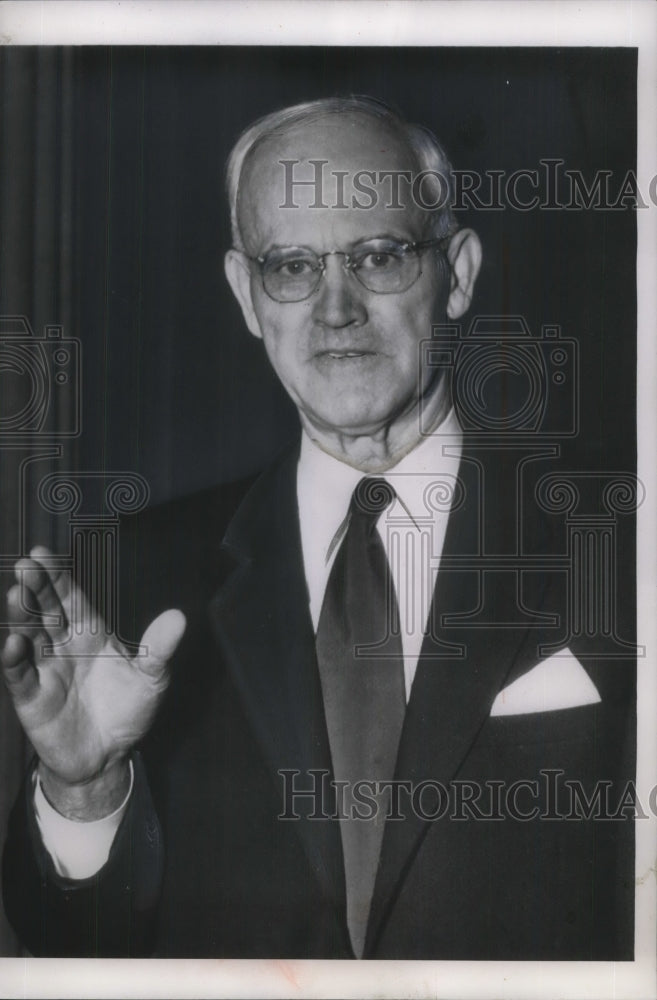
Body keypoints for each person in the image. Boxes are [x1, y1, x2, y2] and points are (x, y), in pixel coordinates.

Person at [1, 97, 634, 959]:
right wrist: (86, 790)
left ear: (455, 271)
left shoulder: (619, 547)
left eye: (377, 257)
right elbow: (80, 952)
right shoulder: (137, 581)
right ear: (246, 294)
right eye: (291, 267)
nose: (334, 309)